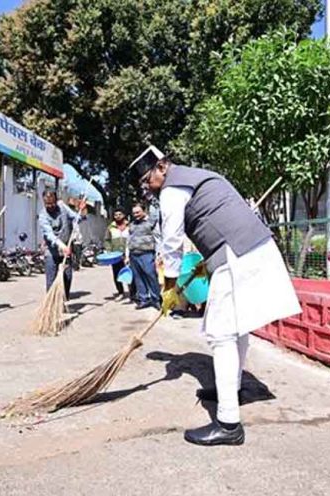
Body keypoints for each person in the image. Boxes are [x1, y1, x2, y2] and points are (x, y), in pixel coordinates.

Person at [130, 145, 301, 447]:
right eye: (143, 184)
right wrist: (206, 260)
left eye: (147, 179)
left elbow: (172, 241)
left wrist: (169, 286)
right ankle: (231, 390)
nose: (148, 187)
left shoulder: (172, 190)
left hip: (238, 254)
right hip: (247, 248)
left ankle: (228, 423)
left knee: (220, 333)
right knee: (237, 327)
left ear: (162, 166)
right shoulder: (197, 177)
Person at [39, 190, 86, 300]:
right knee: (51, 279)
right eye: (47, 204)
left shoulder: (62, 207)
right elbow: (49, 235)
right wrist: (62, 246)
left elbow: (76, 218)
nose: (50, 206)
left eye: (52, 203)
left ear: (56, 200)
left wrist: (82, 210)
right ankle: (51, 303)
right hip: (52, 251)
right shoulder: (43, 216)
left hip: (66, 249)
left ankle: (64, 299)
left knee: (68, 276)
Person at [126, 202, 161, 310]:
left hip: (147, 254)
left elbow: (158, 238)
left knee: (151, 276)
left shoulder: (151, 223)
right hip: (134, 254)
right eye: (134, 213)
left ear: (144, 211)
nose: (135, 215)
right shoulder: (131, 225)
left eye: (138, 212)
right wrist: (127, 255)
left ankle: (156, 299)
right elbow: (128, 240)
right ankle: (143, 299)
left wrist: (159, 254)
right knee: (138, 278)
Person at [103, 208, 133, 299]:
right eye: (116, 215)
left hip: (128, 254)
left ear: (123, 215)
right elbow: (107, 240)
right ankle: (120, 292)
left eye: (120, 214)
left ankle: (132, 293)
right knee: (116, 274)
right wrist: (108, 250)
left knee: (130, 273)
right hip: (115, 255)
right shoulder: (111, 227)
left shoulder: (130, 226)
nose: (118, 216)